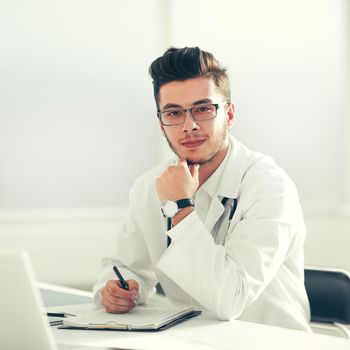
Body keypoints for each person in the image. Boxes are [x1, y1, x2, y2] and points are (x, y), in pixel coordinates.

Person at [93, 47, 311, 331]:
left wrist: (180, 207)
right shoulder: (148, 187)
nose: (189, 125)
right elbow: (126, 268)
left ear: (229, 114)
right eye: (173, 113)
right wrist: (116, 291)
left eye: (203, 109)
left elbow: (231, 299)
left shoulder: (270, 186)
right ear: (161, 124)